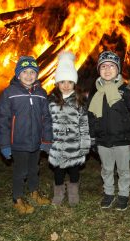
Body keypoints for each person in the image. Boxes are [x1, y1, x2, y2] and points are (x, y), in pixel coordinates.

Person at [0, 55, 52, 214]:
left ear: (37, 75)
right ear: (18, 74)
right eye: (25, 71)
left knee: (34, 169)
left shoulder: (41, 93)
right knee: (21, 171)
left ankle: (34, 192)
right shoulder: (10, 93)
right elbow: (2, 119)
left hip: (36, 141)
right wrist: (5, 145)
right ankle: (17, 198)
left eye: (32, 72)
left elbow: (46, 118)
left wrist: (47, 140)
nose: (29, 75)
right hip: (18, 142)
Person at [88, 50, 130, 211]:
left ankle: (124, 195)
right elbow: (90, 116)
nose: (107, 69)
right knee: (107, 169)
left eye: (111, 66)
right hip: (103, 139)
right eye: (103, 66)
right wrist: (91, 137)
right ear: (99, 70)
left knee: (123, 169)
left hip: (122, 139)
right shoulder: (94, 91)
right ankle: (109, 193)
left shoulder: (125, 91)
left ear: (118, 69)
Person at [48, 51, 90, 207]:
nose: (66, 86)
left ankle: (73, 193)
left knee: (74, 172)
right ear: (57, 83)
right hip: (57, 146)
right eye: (62, 82)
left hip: (74, 146)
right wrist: (46, 141)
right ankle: (58, 194)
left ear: (74, 84)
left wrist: (85, 144)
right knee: (58, 172)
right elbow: (47, 123)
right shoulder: (51, 101)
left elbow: (84, 125)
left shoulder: (79, 102)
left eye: (70, 82)